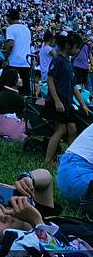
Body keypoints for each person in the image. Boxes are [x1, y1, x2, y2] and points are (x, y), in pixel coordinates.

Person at [44, 32, 89, 165]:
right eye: (77, 47)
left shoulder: (68, 63)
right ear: (68, 45)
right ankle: (48, 160)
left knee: (72, 128)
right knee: (61, 130)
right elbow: (50, 80)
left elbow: (74, 86)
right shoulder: (58, 61)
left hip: (66, 103)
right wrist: (57, 101)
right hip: (57, 102)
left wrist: (83, 105)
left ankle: (71, 158)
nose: (78, 50)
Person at [5, 9, 32, 95]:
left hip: (14, 62)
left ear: (9, 18)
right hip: (26, 62)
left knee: (11, 88)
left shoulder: (10, 28)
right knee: (25, 89)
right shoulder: (26, 29)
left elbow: (11, 44)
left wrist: (5, 57)